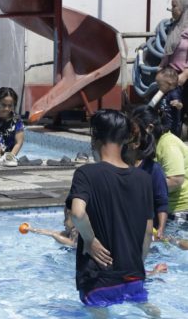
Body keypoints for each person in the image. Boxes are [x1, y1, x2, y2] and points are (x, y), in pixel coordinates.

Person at [66, 109, 154, 308]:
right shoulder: (144, 179)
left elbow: (78, 214)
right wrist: (135, 265)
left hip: (99, 278)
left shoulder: (86, 174)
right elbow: (148, 232)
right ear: (125, 139)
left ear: (94, 137)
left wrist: (90, 240)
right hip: (134, 278)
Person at [131, 105, 188, 217]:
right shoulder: (154, 143)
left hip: (178, 211)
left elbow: (176, 180)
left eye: (135, 130)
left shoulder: (168, 144)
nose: (132, 134)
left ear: (149, 128)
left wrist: (140, 188)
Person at [125, 114, 169, 239]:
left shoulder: (153, 169)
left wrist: (160, 229)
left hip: (148, 232)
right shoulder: (117, 166)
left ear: (136, 144)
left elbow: (162, 203)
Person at [154, 67, 183, 137]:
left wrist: (178, 104)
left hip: (172, 127)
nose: (158, 87)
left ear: (169, 84)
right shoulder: (164, 92)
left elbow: (180, 105)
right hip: (164, 124)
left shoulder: (174, 93)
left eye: (159, 85)